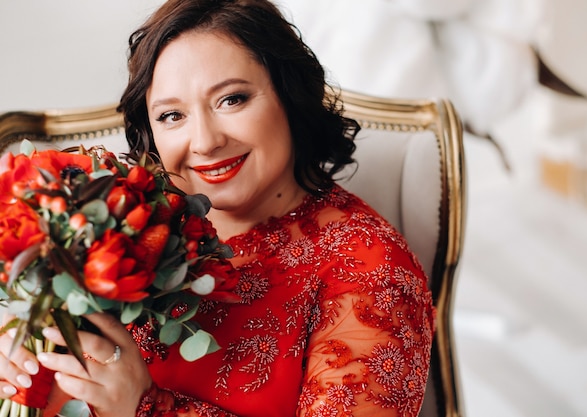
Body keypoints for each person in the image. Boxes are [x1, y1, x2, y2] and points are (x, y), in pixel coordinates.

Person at [0, 0, 434, 416]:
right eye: (172, 115)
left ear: (290, 95)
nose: (205, 141)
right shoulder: (125, 230)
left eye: (232, 99)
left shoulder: (373, 272)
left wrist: (143, 408)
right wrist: (37, 376)